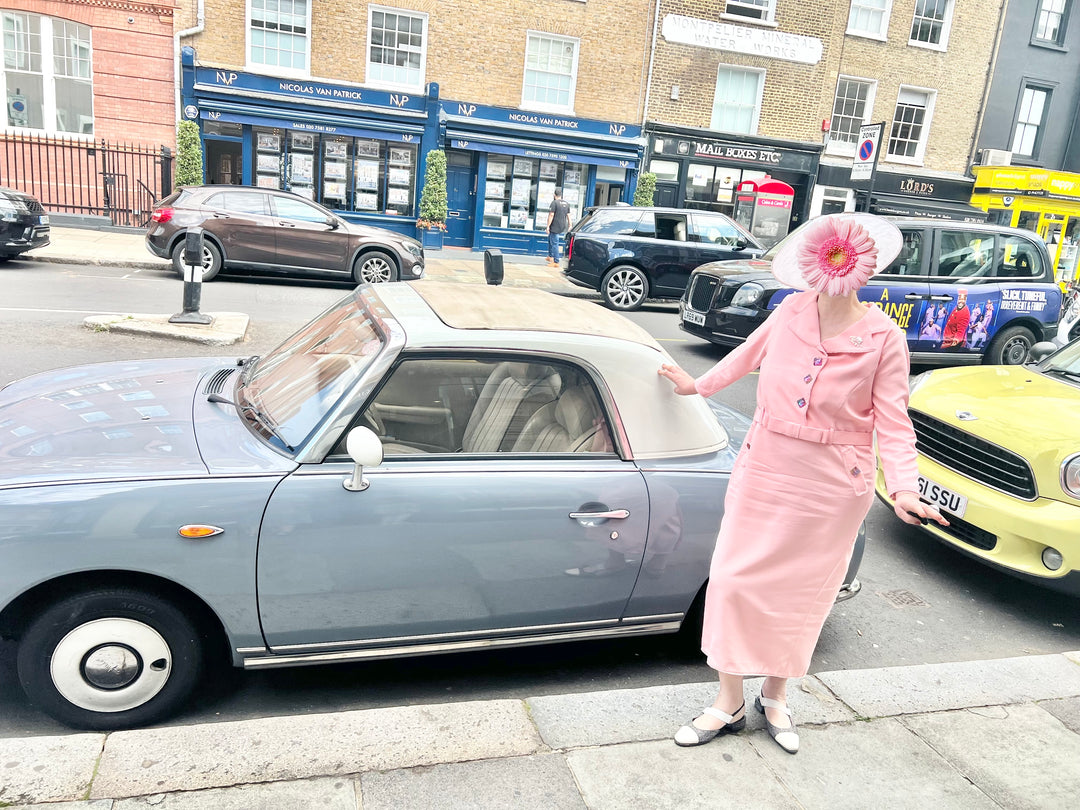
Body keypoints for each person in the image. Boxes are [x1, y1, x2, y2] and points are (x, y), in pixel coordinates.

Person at [657, 213, 948, 755]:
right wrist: (695, 385)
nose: (834, 269)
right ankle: (729, 701)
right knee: (733, 579)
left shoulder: (885, 336)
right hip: (766, 464)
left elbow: (894, 422)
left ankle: (775, 696)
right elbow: (745, 357)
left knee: (801, 595)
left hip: (835, 486)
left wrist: (904, 488)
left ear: (865, 268)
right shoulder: (789, 308)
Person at [546, 188, 571, 266]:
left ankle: (556, 261)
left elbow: (551, 215)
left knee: (554, 243)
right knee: (550, 240)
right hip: (562, 225)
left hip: (555, 226)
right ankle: (550, 256)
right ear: (561, 195)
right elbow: (569, 215)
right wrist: (570, 225)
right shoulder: (566, 204)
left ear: (554, 195)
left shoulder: (554, 203)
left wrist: (547, 226)